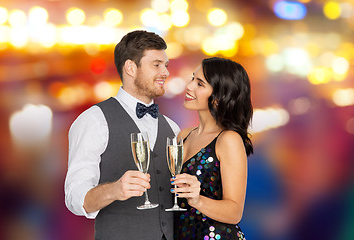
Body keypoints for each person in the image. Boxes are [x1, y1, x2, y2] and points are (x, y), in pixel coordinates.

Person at [64, 30, 180, 240]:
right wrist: (115, 190)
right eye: (156, 65)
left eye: (166, 65)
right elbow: (74, 198)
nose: (165, 72)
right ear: (130, 68)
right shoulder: (94, 120)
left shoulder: (172, 128)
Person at [172, 57, 253, 240]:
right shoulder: (183, 136)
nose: (190, 86)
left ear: (218, 97)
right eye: (193, 78)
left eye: (200, 84)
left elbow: (234, 212)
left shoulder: (228, 139)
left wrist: (197, 199)